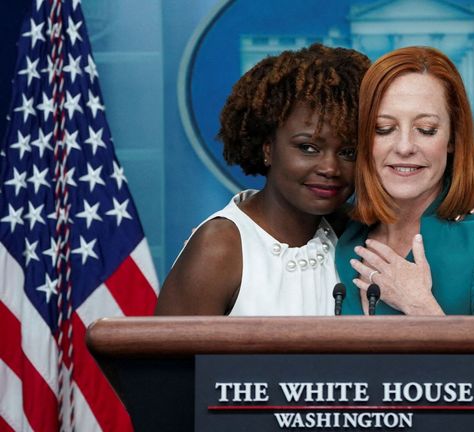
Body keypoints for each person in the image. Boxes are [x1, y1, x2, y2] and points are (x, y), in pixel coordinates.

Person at [155, 44, 370, 315]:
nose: (330, 168)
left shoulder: (360, 234)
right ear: (268, 147)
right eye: (308, 148)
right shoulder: (220, 247)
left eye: (348, 152)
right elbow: (166, 357)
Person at [336, 46, 474, 316]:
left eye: (426, 130)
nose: (405, 146)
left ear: (453, 139)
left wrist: (420, 307)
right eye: (383, 129)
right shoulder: (340, 236)